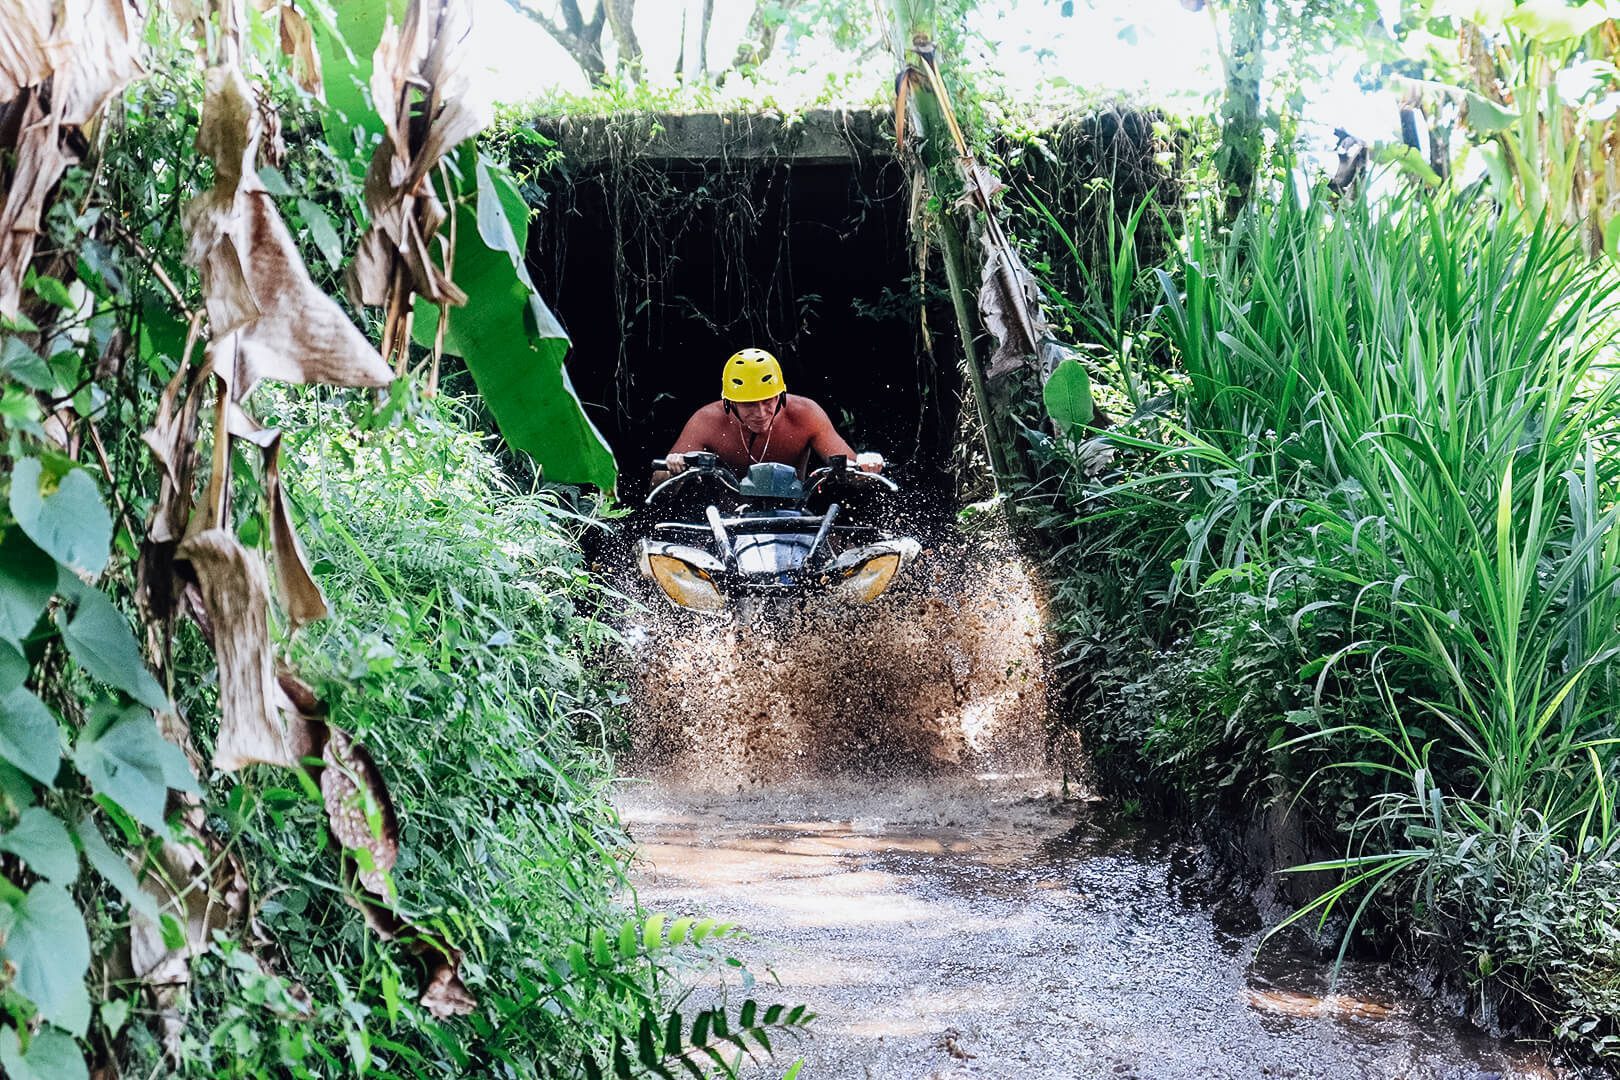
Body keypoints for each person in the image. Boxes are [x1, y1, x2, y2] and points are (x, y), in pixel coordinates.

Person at [656, 348, 884, 481]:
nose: (761, 413)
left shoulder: (806, 414)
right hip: (726, 528)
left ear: (781, 396)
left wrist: (866, 466)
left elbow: (851, 471)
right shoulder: (706, 421)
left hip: (797, 523)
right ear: (730, 403)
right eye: (749, 405)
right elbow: (657, 486)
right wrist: (672, 469)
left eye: (768, 401)